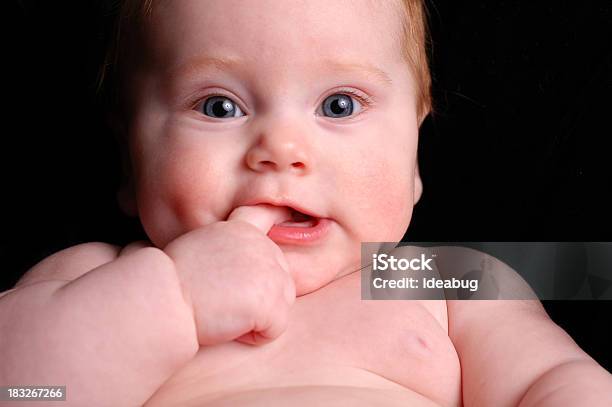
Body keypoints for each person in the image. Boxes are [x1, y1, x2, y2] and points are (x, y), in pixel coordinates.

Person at [1, 0, 611, 405]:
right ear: (132, 159)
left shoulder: (442, 277)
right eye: (218, 106)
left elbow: (552, 380)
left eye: (339, 105)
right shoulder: (100, 273)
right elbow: (23, 392)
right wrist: (174, 299)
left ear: (415, 155)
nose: (281, 150)